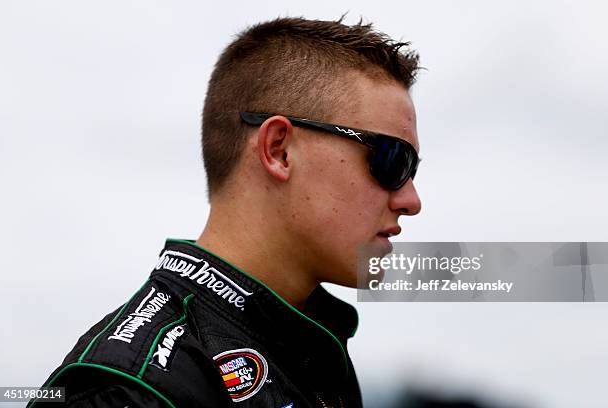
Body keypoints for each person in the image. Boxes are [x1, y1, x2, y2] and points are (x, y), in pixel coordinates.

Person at [30, 15, 422, 408]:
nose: (411, 200)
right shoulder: (129, 392)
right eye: (392, 161)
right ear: (279, 150)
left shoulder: (309, 347)